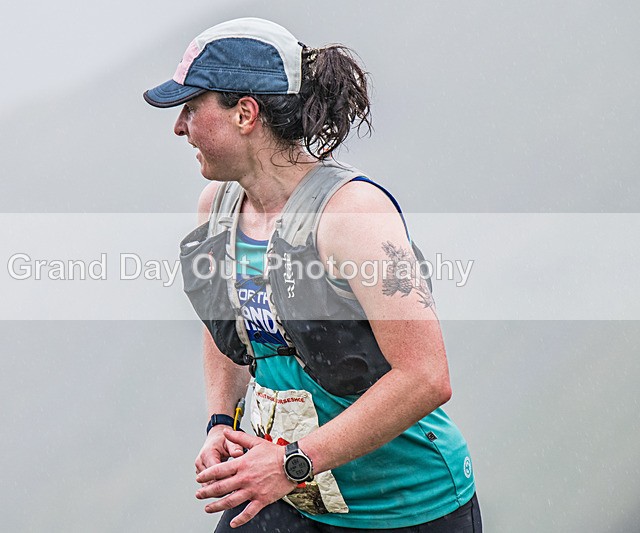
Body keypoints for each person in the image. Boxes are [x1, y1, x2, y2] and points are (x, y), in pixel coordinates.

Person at [144, 17, 482, 532]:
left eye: (191, 107)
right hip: (284, 493)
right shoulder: (217, 208)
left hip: (406, 507)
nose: (178, 126)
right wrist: (220, 422)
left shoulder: (352, 214)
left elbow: (426, 377)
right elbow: (226, 330)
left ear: (245, 114)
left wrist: (291, 463)